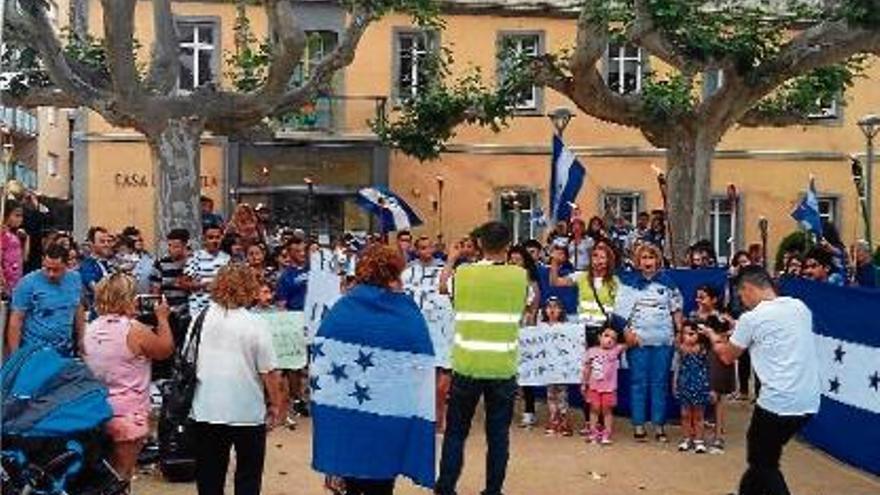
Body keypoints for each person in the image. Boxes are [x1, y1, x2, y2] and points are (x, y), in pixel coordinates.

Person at [312, 244, 436, 495]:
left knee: (350, 482)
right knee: (381, 482)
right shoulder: (407, 313)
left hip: (347, 417)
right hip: (388, 415)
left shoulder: (341, 310)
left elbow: (322, 366)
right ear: (394, 273)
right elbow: (421, 361)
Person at [705, 266, 820, 495]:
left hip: (777, 402)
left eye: (741, 295)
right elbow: (774, 331)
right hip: (808, 402)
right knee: (763, 455)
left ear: (748, 288)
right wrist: (738, 329)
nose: (742, 301)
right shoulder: (800, 308)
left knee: (763, 462)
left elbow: (727, 356)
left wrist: (714, 338)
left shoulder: (752, 318)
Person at [436, 222, 527, 495]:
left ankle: (446, 487)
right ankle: (492, 490)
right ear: (508, 246)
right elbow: (524, 307)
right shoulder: (519, 276)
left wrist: (452, 258)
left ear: (479, 246)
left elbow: (443, 287)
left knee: (455, 433)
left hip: (466, 365)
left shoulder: (463, 274)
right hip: (503, 367)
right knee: (498, 436)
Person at [188, 264, 283, 495]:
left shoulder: (199, 318)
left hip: (205, 407)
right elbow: (269, 372)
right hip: (247, 411)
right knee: (248, 476)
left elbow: (188, 358)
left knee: (209, 476)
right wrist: (277, 404)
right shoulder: (255, 324)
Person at [83, 273, 174, 481]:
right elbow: (165, 349)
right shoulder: (134, 330)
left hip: (96, 412)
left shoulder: (90, 329)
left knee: (102, 477)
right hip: (128, 414)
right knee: (121, 477)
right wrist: (162, 319)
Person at [611, 243, 683, 442]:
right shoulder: (628, 284)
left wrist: (679, 332)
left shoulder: (668, 283)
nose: (647, 262)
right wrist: (627, 333)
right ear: (637, 262)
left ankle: (659, 426)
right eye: (643, 258)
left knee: (660, 383)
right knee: (638, 383)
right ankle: (639, 424)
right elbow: (618, 314)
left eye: (651, 258)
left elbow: (676, 310)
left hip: (663, 341)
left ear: (657, 261)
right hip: (638, 341)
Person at [7, 243, 85, 356]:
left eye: (56, 270)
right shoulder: (27, 283)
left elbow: (78, 309)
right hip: (35, 350)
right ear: (43, 262)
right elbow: (16, 320)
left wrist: (81, 338)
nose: (51, 274)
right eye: (47, 268)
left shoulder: (75, 279)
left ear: (66, 265)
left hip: (64, 349)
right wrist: (15, 355)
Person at [690, 285, 734, 452]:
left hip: (718, 358)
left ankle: (718, 436)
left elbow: (735, 332)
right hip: (699, 358)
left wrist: (718, 335)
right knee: (700, 395)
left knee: (718, 397)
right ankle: (697, 434)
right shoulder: (694, 316)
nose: (699, 300)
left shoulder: (723, 317)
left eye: (703, 297)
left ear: (714, 299)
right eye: (697, 297)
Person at [549, 242, 619, 346]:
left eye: (602, 257)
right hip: (582, 329)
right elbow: (555, 282)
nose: (597, 260)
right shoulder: (581, 276)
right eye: (595, 256)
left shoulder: (615, 281)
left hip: (604, 331)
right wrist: (554, 262)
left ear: (608, 261)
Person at [582, 327, 626, 445]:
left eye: (613, 338)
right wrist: (584, 383)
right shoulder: (591, 351)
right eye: (606, 336)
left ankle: (607, 433)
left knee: (607, 410)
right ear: (599, 337)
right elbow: (587, 369)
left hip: (609, 388)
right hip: (593, 387)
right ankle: (593, 432)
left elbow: (628, 343)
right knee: (594, 409)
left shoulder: (615, 351)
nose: (609, 339)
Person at [150, 228, 192, 349]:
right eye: (169, 246)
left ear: (185, 246)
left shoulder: (193, 262)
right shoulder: (161, 264)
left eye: (176, 246)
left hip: (188, 312)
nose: (171, 250)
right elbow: (155, 290)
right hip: (168, 314)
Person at [674, 321, 711, 454]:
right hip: (684, 384)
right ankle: (686, 438)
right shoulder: (681, 349)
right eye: (685, 334)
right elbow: (678, 367)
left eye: (691, 334)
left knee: (699, 415)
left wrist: (704, 331)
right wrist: (674, 384)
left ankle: (699, 440)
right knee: (685, 414)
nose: (688, 337)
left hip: (700, 385)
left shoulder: (703, 349)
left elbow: (709, 368)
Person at [182, 223, 230, 318]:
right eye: (210, 238)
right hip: (199, 309)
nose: (214, 241)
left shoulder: (226, 258)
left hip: (220, 308)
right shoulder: (195, 257)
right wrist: (202, 285)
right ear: (204, 240)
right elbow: (184, 282)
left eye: (217, 237)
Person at [541, 298, 573, 437]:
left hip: (562, 368)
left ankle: (564, 420)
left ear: (561, 310)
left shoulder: (567, 326)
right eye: (549, 307)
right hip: (548, 367)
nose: (552, 310)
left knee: (562, 394)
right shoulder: (540, 326)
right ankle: (553, 419)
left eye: (556, 307)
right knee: (550, 394)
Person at [80, 226, 115, 320]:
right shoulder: (87, 265)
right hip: (98, 317)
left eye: (108, 241)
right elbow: (96, 289)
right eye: (102, 241)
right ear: (91, 244)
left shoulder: (110, 264)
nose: (107, 244)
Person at [1, 201, 26, 297]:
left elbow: (24, 259)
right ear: (6, 215)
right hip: (6, 285)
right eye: (17, 215)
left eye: (21, 216)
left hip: (16, 283)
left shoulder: (14, 235)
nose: (20, 219)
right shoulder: (3, 234)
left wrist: (26, 239)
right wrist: (3, 284)